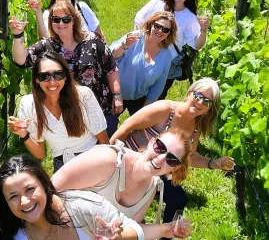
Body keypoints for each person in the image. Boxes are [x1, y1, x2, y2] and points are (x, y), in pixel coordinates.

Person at [110, 78, 235, 240]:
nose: (200, 102)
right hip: (131, 161)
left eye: (207, 101)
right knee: (124, 206)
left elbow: (189, 156)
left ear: (209, 109)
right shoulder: (165, 109)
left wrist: (213, 163)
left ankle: (166, 235)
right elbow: (127, 126)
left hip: (158, 170)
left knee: (178, 199)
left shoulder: (195, 128)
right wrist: (113, 157)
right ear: (189, 93)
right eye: (198, 95)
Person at [0, 154, 193, 240]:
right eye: (13, 196)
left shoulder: (84, 207)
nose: (24, 201)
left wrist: (119, 237)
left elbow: (134, 229)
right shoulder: (11, 233)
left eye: (29, 189)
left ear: (44, 184)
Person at [10, 0, 122, 137]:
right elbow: (21, 60)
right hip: (69, 115)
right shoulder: (48, 46)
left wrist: (117, 95)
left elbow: (111, 67)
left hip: (101, 108)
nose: (61, 24)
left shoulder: (92, 40)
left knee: (107, 150)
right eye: (56, 19)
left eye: (66, 19)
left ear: (74, 20)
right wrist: (17, 35)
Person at [52, 127, 191, 224]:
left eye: (171, 159)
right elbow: (50, 189)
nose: (161, 158)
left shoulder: (152, 186)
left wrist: (168, 230)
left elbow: (131, 228)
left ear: (175, 168)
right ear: (151, 142)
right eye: (160, 147)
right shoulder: (108, 160)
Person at [8, 52, 108, 172]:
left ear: (65, 77)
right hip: (62, 164)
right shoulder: (29, 104)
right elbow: (40, 154)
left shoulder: (83, 96)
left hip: (92, 158)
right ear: (36, 80)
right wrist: (24, 134)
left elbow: (103, 139)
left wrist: (107, 166)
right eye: (44, 76)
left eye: (58, 75)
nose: (52, 82)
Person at [134, 0, 209, 99]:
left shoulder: (189, 17)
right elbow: (139, 20)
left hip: (166, 66)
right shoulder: (158, 3)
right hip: (143, 57)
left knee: (155, 99)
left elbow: (197, 44)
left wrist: (203, 30)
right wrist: (138, 46)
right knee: (135, 91)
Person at [109, 11, 177, 116]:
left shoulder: (166, 55)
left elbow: (159, 85)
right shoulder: (135, 38)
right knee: (108, 128)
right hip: (115, 94)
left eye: (165, 29)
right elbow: (111, 56)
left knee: (137, 131)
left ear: (169, 33)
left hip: (140, 100)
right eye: (157, 26)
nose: (160, 31)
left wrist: (146, 108)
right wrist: (125, 45)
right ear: (151, 24)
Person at [28, 0, 105, 40]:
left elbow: (98, 32)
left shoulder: (81, 7)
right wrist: (38, 12)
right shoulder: (48, 14)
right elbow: (45, 38)